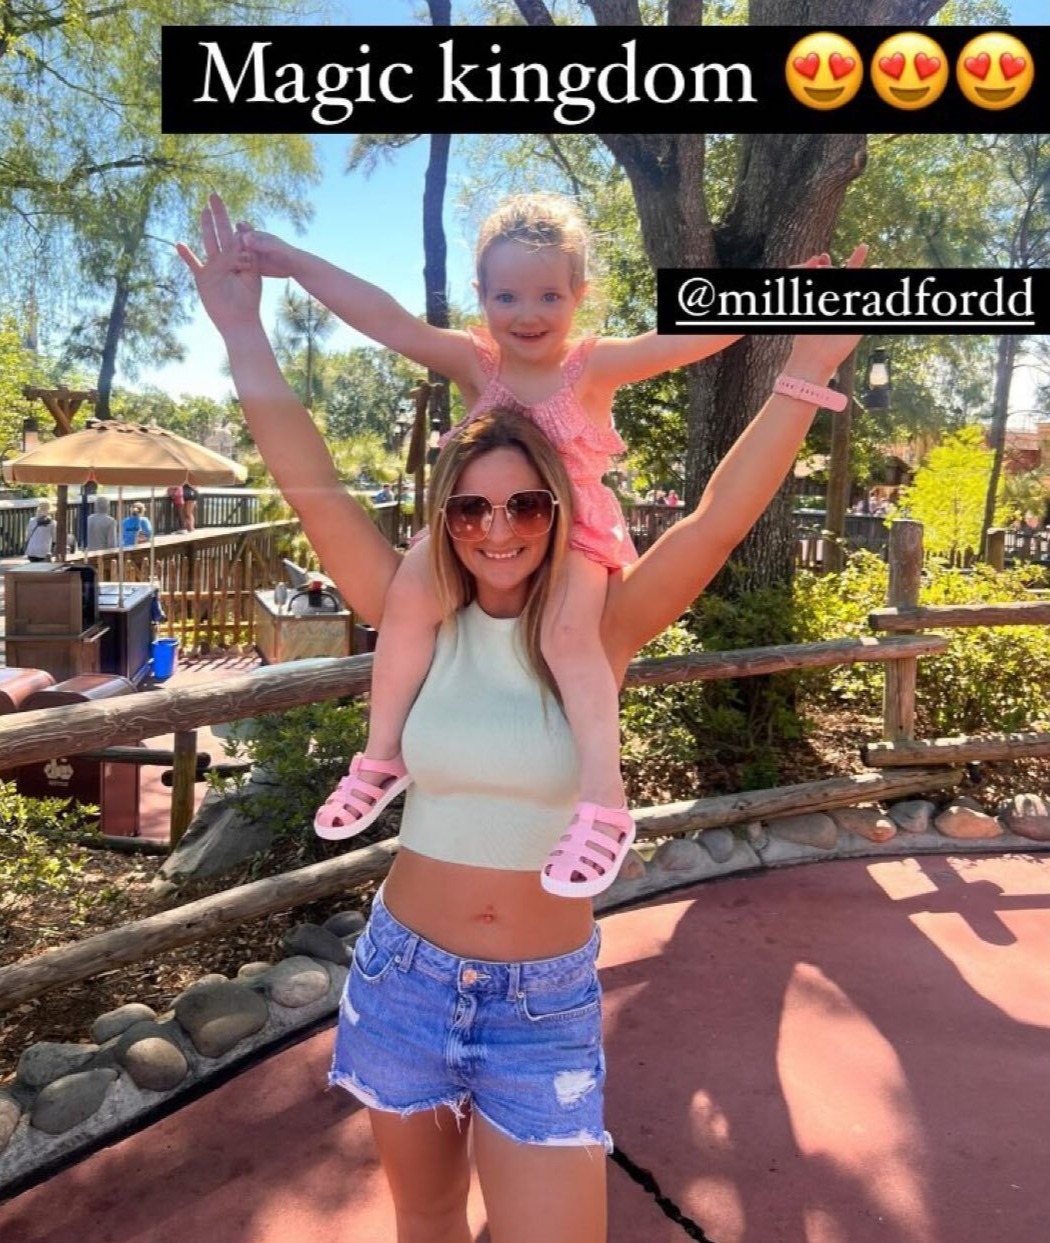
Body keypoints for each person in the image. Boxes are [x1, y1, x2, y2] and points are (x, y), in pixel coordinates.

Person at [178, 193, 863, 1243]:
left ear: (563, 508)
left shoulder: (605, 622)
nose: (499, 529)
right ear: (448, 514)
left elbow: (720, 517)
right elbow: (307, 475)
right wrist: (242, 332)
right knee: (429, 1224)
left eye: (527, 505)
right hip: (403, 979)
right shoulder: (414, 611)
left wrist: (804, 370)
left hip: (541, 1004)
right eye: (473, 507)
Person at [239, 192, 755, 899]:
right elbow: (385, 318)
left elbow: (685, 338)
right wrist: (293, 261)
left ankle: (604, 798)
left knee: (570, 635)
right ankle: (384, 752)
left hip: (570, 530)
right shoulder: (477, 364)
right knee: (409, 591)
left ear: (579, 294)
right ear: (480, 296)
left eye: (549, 293)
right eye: (506, 294)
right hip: (480, 524)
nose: (528, 313)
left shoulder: (592, 367)